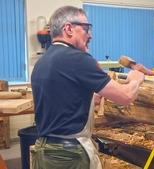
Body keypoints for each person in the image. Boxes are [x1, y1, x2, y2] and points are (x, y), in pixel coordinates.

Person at [30, 6, 144, 169]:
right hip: (69, 156)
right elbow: (125, 97)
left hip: (44, 150)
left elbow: (63, 98)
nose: (90, 34)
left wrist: (91, 98)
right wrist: (135, 79)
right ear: (68, 28)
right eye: (86, 28)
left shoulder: (42, 62)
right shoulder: (77, 58)